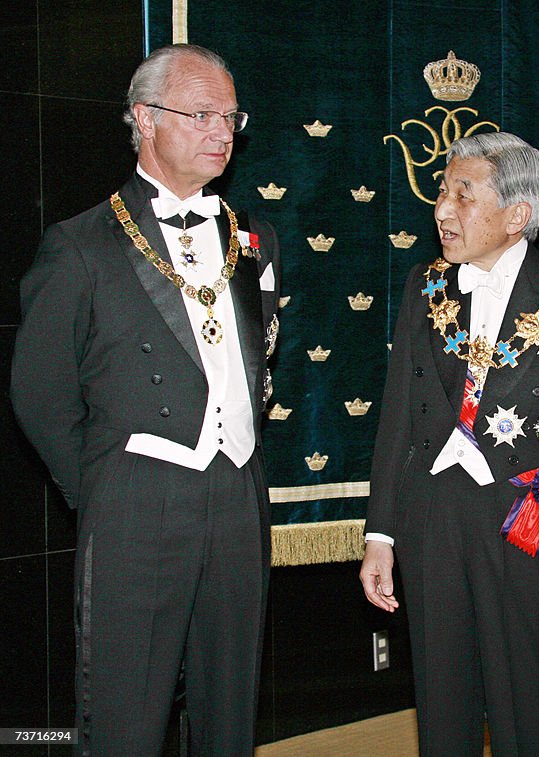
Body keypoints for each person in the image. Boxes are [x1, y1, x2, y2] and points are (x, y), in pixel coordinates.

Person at [11, 44, 280, 755]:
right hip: (136, 499)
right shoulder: (79, 246)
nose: (223, 131)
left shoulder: (252, 238)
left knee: (230, 712)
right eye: (202, 114)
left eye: (231, 116)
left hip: (238, 494)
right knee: (127, 711)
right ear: (145, 118)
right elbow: (38, 393)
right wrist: (104, 487)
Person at [358, 131, 539, 755]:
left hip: (527, 522)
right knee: (442, 706)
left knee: (527, 705)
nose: (442, 210)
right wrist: (380, 534)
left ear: (517, 215)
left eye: (462, 194)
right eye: (443, 192)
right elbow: (397, 417)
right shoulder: (424, 287)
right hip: (433, 522)